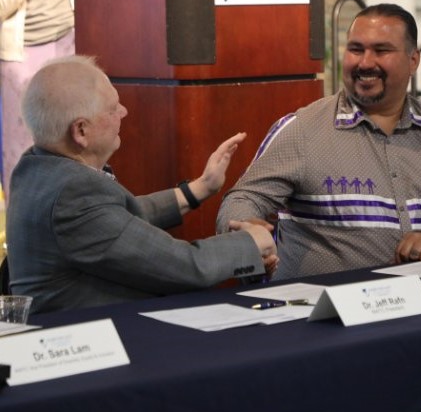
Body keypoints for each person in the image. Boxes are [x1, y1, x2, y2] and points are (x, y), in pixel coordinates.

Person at [217, 3, 421, 279]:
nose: (365, 62)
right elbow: (242, 200)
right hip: (320, 317)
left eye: (381, 50)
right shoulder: (301, 130)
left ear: (413, 60)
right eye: (355, 49)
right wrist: (245, 230)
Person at [6, 55, 278, 313]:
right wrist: (250, 243)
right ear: (81, 131)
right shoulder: (73, 195)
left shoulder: (35, 168)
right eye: (113, 108)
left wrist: (199, 189)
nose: (123, 112)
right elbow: (184, 267)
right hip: (93, 346)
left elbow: (117, 221)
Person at [0, 0, 115, 198]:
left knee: (81, 138)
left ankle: (83, 213)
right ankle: (24, 227)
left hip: (73, 43)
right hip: (21, 53)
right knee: (23, 149)